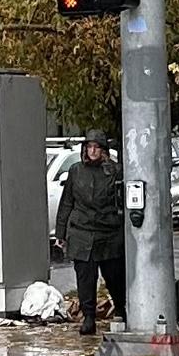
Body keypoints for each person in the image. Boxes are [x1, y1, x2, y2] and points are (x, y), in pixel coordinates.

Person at [54, 132, 126, 337]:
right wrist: (61, 232)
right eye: (89, 147)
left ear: (103, 150)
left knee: (114, 276)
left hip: (108, 232)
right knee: (85, 278)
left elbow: (121, 202)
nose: (93, 151)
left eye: (97, 147)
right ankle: (89, 317)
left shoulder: (114, 171)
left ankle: (121, 310)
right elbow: (67, 202)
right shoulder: (76, 171)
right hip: (81, 232)